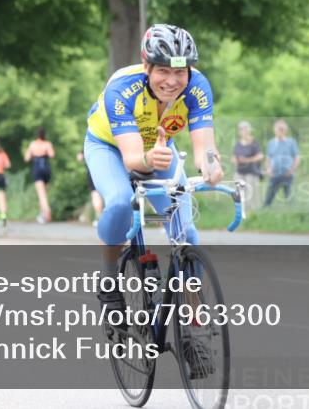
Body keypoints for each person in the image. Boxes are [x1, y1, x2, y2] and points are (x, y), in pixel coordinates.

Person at [84, 24, 223, 318]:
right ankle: (108, 277)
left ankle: (193, 316)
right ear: (146, 65)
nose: (172, 81)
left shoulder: (198, 87)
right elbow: (133, 159)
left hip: (159, 148)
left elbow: (205, 148)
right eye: (163, 71)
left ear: (190, 69)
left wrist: (212, 167)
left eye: (180, 72)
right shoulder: (122, 88)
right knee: (120, 202)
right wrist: (148, 159)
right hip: (110, 147)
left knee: (186, 233)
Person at [264, 119, 300, 207]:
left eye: (282, 129)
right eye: (278, 129)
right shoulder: (271, 143)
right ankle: (266, 209)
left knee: (289, 195)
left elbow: (297, 157)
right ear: (275, 130)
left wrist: (292, 170)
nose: (280, 131)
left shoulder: (291, 142)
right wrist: (268, 169)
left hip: (287, 173)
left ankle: (292, 211)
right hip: (274, 174)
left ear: (285, 130)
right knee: (269, 197)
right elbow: (268, 158)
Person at [24, 128, 55, 224]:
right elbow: (52, 155)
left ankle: (47, 212)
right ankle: (42, 214)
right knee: (44, 193)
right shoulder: (48, 144)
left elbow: (26, 158)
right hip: (46, 167)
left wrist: (34, 154)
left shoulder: (33, 144)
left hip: (37, 167)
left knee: (41, 194)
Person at [232, 121, 264, 210]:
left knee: (252, 193)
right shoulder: (238, 144)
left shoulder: (254, 143)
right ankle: (242, 211)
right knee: (240, 192)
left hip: (252, 172)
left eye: (245, 129)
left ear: (249, 130)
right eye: (242, 129)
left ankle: (254, 212)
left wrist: (248, 160)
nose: (244, 131)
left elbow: (260, 156)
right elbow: (233, 157)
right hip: (240, 172)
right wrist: (237, 160)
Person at [76, 151, 103, 226]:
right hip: (106, 169)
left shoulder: (88, 145)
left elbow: (79, 158)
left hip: (92, 171)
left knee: (95, 194)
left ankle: (99, 218)